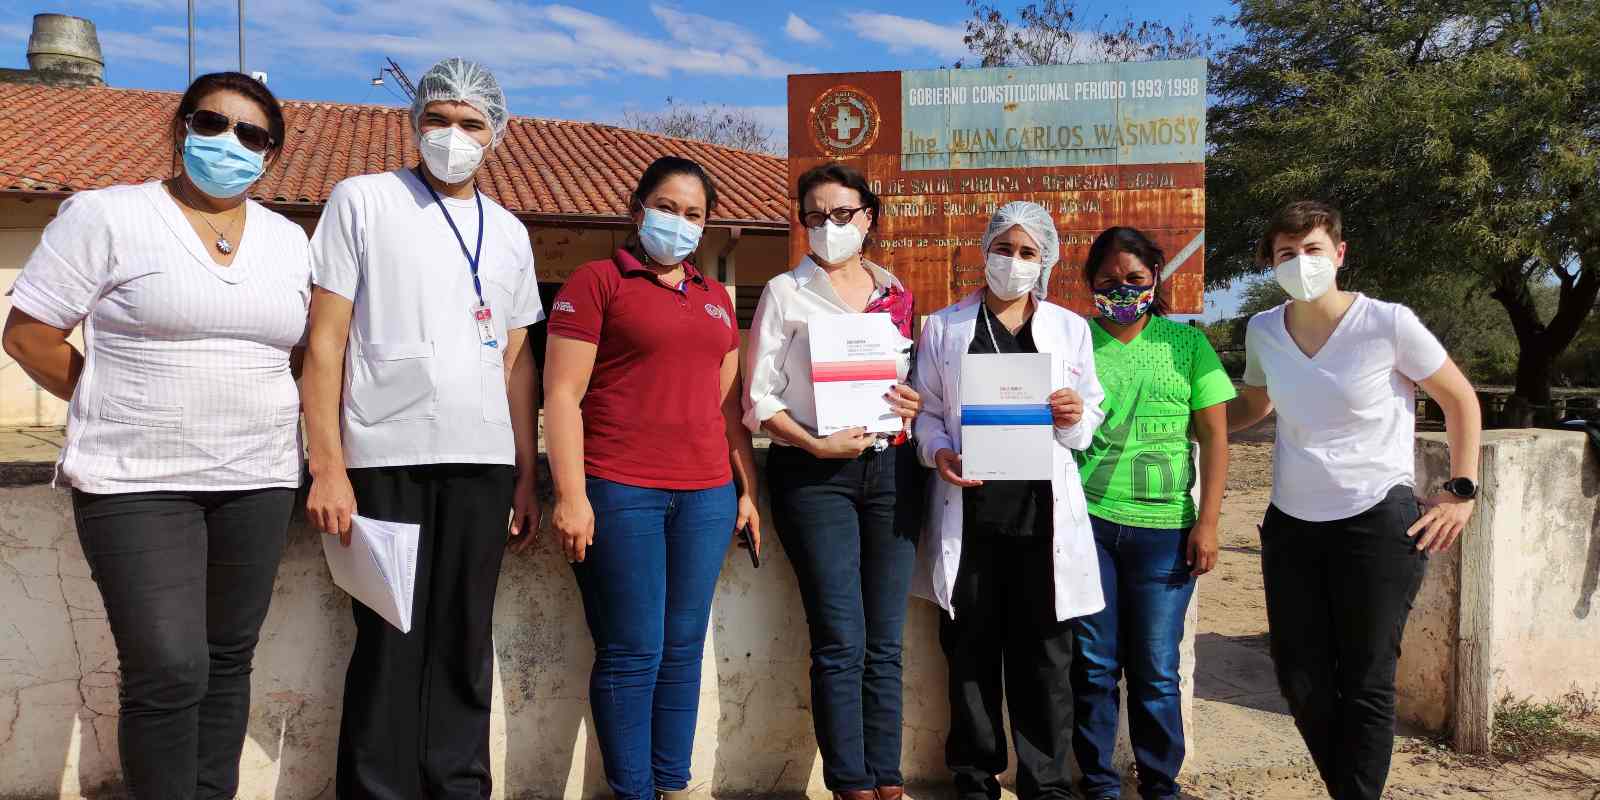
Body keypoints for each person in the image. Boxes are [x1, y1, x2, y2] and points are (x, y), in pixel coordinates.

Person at [1, 72, 308, 799]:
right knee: (168, 666)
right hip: (136, 479)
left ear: (271, 154)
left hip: (258, 477)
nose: (229, 142)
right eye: (211, 124)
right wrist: (118, 399)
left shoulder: (290, 240)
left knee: (228, 658)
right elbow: (30, 335)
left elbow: (295, 353)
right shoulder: (106, 215)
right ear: (180, 130)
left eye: (251, 134)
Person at [300, 58, 544, 798]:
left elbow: (518, 358)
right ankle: (376, 788)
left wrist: (527, 472)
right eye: (437, 119)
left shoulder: (508, 231)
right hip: (383, 455)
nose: (452, 136)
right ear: (413, 124)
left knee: (465, 640)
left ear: (496, 135)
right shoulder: (363, 200)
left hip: (483, 462)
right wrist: (328, 465)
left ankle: (458, 784)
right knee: (388, 640)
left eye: (470, 124)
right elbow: (324, 342)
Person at [1227, 201, 1481, 800]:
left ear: (1339, 254)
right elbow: (1254, 406)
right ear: (1271, 260)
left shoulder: (1387, 323)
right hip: (1291, 525)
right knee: (1300, 679)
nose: (1300, 262)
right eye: (1287, 253)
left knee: (1366, 681)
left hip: (1376, 521)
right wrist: (1184, 423)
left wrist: (1461, 492)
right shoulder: (1263, 328)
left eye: (1313, 250)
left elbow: (1460, 399)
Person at [544, 156, 761, 800]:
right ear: (639, 207)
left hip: (705, 496)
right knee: (632, 648)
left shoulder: (717, 298)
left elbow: (728, 408)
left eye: (694, 214)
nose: (680, 222)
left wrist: (746, 490)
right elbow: (560, 394)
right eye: (668, 207)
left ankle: (673, 784)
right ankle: (633, 790)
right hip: (620, 490)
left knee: (683, 647)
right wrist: (571, 496)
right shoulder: (595, 280)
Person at [911, 201, 1107, 800]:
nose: (1013, 263)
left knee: (1046, 659)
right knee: (969, 654)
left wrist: (1075, 415)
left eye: (1027, 253)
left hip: (1041, 518)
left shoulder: (1069, 329)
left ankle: (1045, 779)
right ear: (984, 250)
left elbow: (1089, 415)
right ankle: (974, 776)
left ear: (1045, 261)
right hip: (970, 515)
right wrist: (939, 454)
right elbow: (928, 414)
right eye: (1004, 248)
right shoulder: (944, 328)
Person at [744, 163, 922, 800]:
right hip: (815, 478)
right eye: (814, 216)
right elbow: (757, 400)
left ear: (868, 217)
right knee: (840, 637)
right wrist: (815, 443)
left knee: (887, 640)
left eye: (841, 214)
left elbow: (911, 382)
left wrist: (910, 402)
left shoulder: (894, 292)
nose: (828, 227)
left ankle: (889, 780)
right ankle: (850, 782)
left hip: (891, 473)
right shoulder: (784, 292)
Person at [1068, 227, 1233, 800]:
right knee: (1092, 667)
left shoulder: (1186, 346)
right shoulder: (1071, 342)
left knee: (1157, 671)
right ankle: (1099, 785)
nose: (1122, 290)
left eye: (1135, 280)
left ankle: (1160, 785)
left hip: (1166, 531)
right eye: (1109, 281)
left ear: (1156, 279)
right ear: (1090, 284)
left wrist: (1207, 522)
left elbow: (1215, 438)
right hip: (1086, 525)